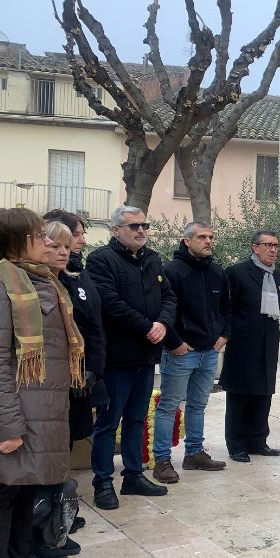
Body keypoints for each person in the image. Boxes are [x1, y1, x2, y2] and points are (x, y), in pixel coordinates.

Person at [0, 207, 76, 558]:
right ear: (14, 241)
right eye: (38, 235)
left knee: (25, 493)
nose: (49, 243)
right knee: (1, 498)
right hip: (16, 415)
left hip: (40, 409)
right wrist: (8, 426)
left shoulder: (40, 281)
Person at [86, 206, 175, 509]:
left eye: (144, 226)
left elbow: (169, 298)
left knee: (137, 419)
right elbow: (109, 302)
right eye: (134, 226)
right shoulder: (101, 260)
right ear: (115, 230)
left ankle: (133, 475)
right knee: (109, 422)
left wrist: (162, 323)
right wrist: (146, 326)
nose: (141, 231)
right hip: (116, 357)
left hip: (146, 355)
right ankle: (102, 482)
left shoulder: (152, 260)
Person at [150, 222, 229, 484]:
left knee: (198, 405)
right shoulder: (171, 271)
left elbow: (226, 308)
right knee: (170, 406)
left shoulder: (217, 271)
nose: (208, 241)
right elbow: (163, 309)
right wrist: (175, 342)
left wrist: (224, 335)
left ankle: (194, 453)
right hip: (181, 352)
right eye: (202, 237)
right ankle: (162, 460)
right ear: (186, 241)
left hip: (209, 351)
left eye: (211, 237)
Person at [43, 212, 106, 539]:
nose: (68, 249)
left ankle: (59, 509)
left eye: (72, 242)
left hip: (82, 378)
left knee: (66, 444)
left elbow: (94, 328)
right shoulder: (41, 284)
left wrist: (93, 370)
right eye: (58, 244)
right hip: (54, 383)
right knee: (50, 449)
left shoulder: (75, 278)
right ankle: (49, 514)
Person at [220, 229, 280, 463]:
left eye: (276, 246)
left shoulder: (278, 276)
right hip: (242, 342)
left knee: (264, 392)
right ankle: (236, 443)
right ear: (255, 248)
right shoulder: (237, 273)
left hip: (268, 343)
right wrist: (226, 335)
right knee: (240, 393)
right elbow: (227, 308)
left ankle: (258, 440)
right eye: (268, 245)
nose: (273, 250)